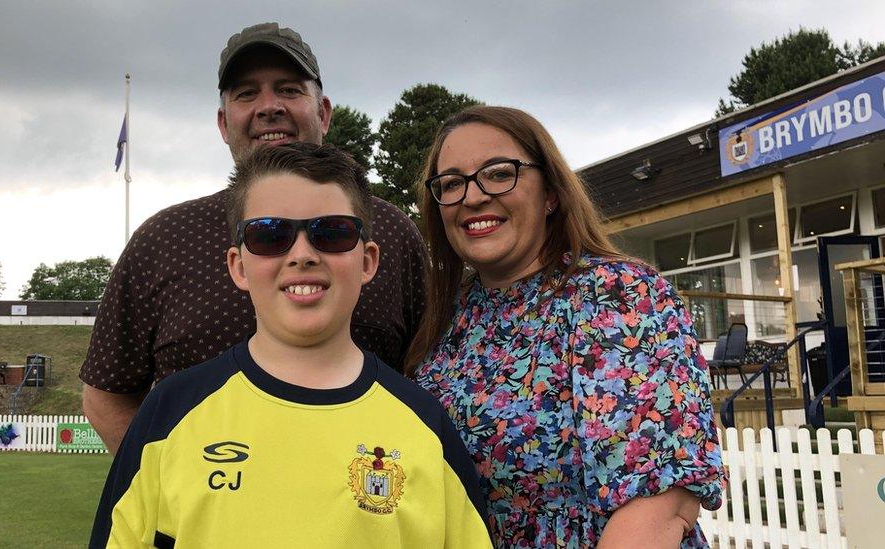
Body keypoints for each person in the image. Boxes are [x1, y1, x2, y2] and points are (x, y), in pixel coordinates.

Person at [89, 143, 491, 548]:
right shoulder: (170, 414)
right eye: (269, 235)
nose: (302, 254)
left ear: (367, 260)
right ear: (239, 266)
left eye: (332, 233)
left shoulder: (425, 426)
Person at [80, 23, 426, 454]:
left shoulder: (390, 231)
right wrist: (164, 483)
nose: (269, 107)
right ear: (224, 123)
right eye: (246, 93)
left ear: (323, 113)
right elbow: (106, 393)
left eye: (289, 89)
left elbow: (425, 374)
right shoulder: (163, 238)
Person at [406, 106, 725, 548]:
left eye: (500, 173)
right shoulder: (446, 319)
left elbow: (660, 503)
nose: (473, 197)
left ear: (551, 193)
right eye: (452, 183)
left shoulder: (617, 296)